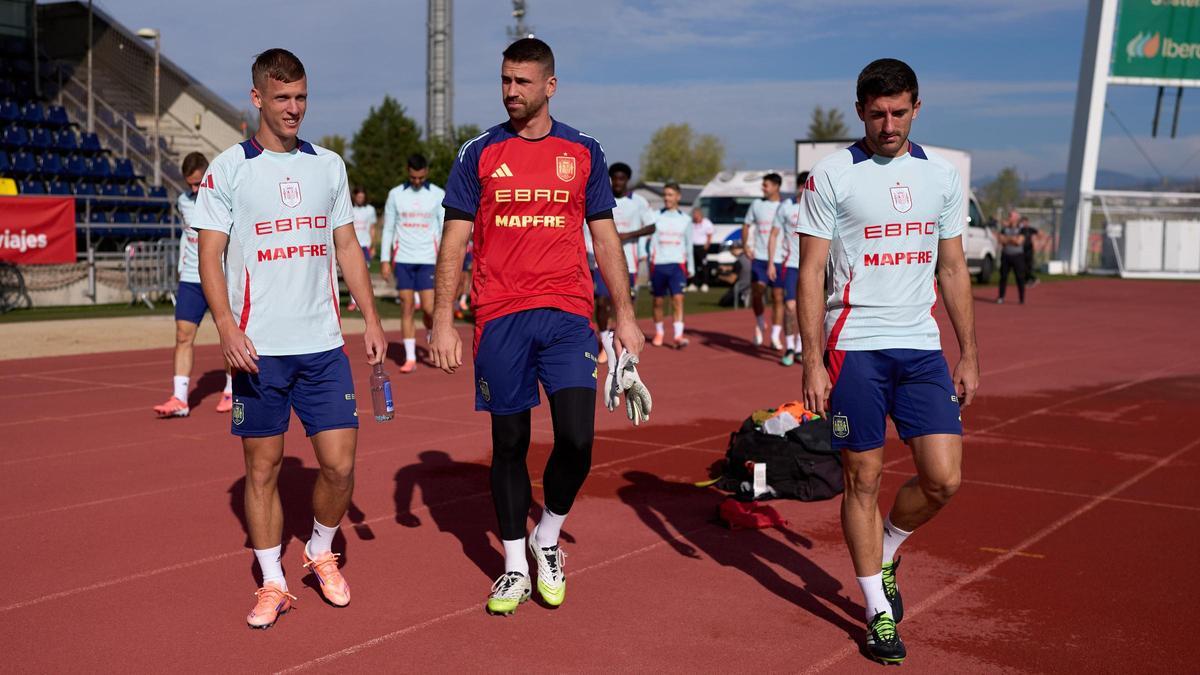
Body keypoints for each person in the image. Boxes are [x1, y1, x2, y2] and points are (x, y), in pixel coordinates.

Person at [429, 37, 645, 617]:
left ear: (550, 86)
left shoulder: (584, 150)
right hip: (500, 315)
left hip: (568, 313)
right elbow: (453, 241)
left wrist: (625, 316)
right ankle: (514, 565)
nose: (511, 91)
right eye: (505, 80)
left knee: (577, 439)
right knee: (510, 443)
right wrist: (442, 320)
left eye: (522, 81)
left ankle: (546, 536)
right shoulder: (478, 152)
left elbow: (604, 237)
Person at [193, 48, 387, 630]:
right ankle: (273, 582)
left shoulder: (328, 166)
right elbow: (209, 255)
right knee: (263, 469)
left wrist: (372, 317)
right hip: (259, 350)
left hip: (323, 344)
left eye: (301, 96)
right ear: (258, 98)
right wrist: (227, 326)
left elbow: (346, 245)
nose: (294, 108)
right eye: (282, 98)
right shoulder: (229, 169)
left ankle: (320, 549)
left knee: (340, 466)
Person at [796, 58, 979, 665]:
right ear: (860, 112)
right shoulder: (832, 174)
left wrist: (969, 353)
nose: (889, 125)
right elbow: (811, 273)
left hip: (921, 346)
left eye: (899, 112)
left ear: (916, 108)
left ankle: (889, 549)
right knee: (863, 478)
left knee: (943, 479)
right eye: (877, 114)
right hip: (854, 345)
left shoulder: (942, 176)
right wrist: (812, 362)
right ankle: (876, 609)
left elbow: (952, 267)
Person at [153, 151, 234, 417]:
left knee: (228, 334)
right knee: (182, 335)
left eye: (198, 183)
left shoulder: (225, 199)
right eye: (190, 184)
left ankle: (232, 389)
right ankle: (180, 398)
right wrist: (180, 265)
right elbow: (186, 234)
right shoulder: (183, 202)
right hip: (191, 278)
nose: (195, 189)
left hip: (221, 278)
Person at [381, 154, 446, 372]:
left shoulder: (437, 194)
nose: (417, 181)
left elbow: (444, 229)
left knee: (428, 308)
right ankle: (410, 358)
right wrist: (385, 260)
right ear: (408, 172)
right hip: (403, 259)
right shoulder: (395, 194)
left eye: (420, 177)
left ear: (426, 172)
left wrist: (445, 259)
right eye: (413, 177)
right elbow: (388, 228)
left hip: (428, 259)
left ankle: (431, 333)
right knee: (406, 306)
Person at [604, 162, 656, 334]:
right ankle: (605, 336)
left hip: (628, 262)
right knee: (603, 300)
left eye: (621, 179)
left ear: (627, 180)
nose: (618, 182)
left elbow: (651, 227)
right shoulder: (603, 198)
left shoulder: (638, 202)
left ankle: (625, 333)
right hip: (603, 259)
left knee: (626, 300)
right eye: (614, 178)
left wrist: (628, 235)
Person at [767, 171, 807, 366]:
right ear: (800, 187)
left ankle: (800, 348)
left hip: (810, 266)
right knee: (790, 306)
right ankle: (790, 347)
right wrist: (771, 262)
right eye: (804, 186)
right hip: (789, 264)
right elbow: (774, 235)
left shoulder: (818, 206)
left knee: (805, 308)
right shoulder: (785, 207)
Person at [648, 183, 693, 348]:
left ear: (678, 197)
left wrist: (691, 267)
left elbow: (688, 245)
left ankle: (678, 335)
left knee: (678, 299)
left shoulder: (686, 219)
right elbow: (649, 241)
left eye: (670, 195)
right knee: (658, 301)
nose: (667, 198)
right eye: (665, 194)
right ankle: (659, 332)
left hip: (677, 265)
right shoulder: (655, 216)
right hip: (658, 264)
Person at [742, 172, 784, 350]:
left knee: (777, 297)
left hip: (780, 258)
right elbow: (746, 225)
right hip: (759, 257)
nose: (763, 188)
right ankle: (760, 322)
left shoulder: (784, 206)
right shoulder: (756, 205)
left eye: (766, 185)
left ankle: (775, 336)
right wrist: (745, 245)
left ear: (776, 187)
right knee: (757, 292)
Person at [348, 186, 376, 312]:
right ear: (354, 196)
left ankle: (364, 302)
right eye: (358, 196)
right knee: (352, 274)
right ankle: (353, 301)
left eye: (362, 197)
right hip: (352, 246)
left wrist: (373, 246)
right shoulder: (349, 208)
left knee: (364, 276)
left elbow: (372, 229)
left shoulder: (370, 210)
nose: (360, 199)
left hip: (365, 246)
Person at [996, 211, 1026, 305]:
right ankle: (1001, 297)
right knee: (1003, 277)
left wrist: (1007, 239)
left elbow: (1019, 242)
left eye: (1011, 216)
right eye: (1009, 216)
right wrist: (1012, 238)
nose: (1009, 217)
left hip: (1018, 256)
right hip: (1006, 256)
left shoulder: (1021, 229)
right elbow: (1001, 240)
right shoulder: (1004, 228)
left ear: (1016, 218)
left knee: (1019, 277)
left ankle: (1021, 298)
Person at [688, 206, 714, 292]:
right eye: (694, 215)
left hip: (702, 247)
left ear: (700, 215)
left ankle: (705, 283)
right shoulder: (690, 223)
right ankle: (694, 283)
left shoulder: (707, 223)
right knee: (693, 266)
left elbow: (709, 235)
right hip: (692, 247)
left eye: (697, 215)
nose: (695, 217)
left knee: (704, 266)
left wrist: (707, 244)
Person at [1019, 215, 1039, 286]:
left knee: (1028, 266)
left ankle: (1031, 279)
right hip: (1022, 250)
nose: (1023, 223)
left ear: (1027, 222)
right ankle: (1028, 280)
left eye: (1024, 222)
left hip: (1029, 250)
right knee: (1023, 266)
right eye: (1022, 222)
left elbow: (1039, 234)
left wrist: (1036, 241)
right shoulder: (1021, 230)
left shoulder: (1031, 229)